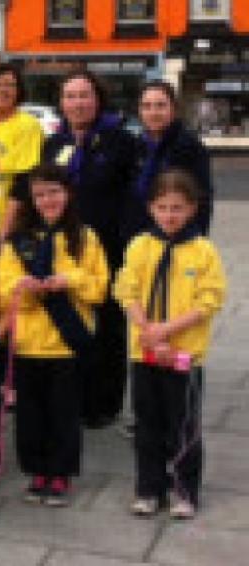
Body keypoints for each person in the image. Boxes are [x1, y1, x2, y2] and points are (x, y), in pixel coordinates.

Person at [114, 169, 226, 520]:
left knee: (183, 424)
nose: (169, 214)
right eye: (162, 207)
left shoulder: (203, 250)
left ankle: (184, 490)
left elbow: (210, 300)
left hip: (184, 354)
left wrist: (167, 331)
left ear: (192, 208)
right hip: (144, 350)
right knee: (147, 422)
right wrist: (147, 330)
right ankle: (149, 488)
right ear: (150, 208)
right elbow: (125, 288)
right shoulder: (139, 245)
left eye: (177, 207)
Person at [0, 164, 109, 506]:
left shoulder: (85, 237)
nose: (47, 200)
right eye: (40, 194)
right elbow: (4, 290)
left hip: (67, 343)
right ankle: (36, 470)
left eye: (54, 192)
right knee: (30, 414)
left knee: (64, 413)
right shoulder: (17, 242)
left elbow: (99, 289)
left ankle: (60, 472)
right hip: (29, 343)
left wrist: (69, 279)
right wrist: (24, 287)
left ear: (68, 193)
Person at [40, 70, 137, 428]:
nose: (77, 103)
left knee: (108, 322)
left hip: (109, 242)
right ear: (61, 102)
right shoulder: (54, 144)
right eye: (70, 96)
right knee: (71, 316)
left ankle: (105, 402)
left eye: (84, 95)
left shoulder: (120, 141)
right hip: (67, 244)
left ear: (98, 100)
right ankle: (76, 394)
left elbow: (132, 195)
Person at [127, 80, 213, 240]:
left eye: (161, 105)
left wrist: (195, 241)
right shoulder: (135, 146)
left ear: (173, 109)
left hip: (177, 237)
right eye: (147, 106)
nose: (153, 112)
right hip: (138, 238)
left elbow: (202, 200)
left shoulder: (190, 147)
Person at [0, 63, 44, 237]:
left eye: (9, 85)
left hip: (12, 225)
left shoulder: (27, 125)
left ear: (19, 91)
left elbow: (24, 181)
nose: (2, 90)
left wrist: (5, 230)